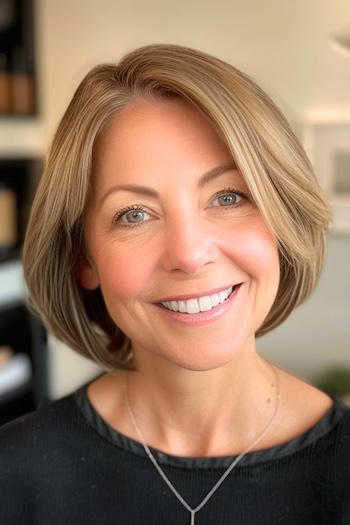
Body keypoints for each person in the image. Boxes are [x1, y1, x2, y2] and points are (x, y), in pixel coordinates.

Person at [0, 43, 349, 525]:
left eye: (228, 196)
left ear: (281, 220)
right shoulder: (13, 476)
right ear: (84, 257)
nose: (188, 253)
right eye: (134, 214)